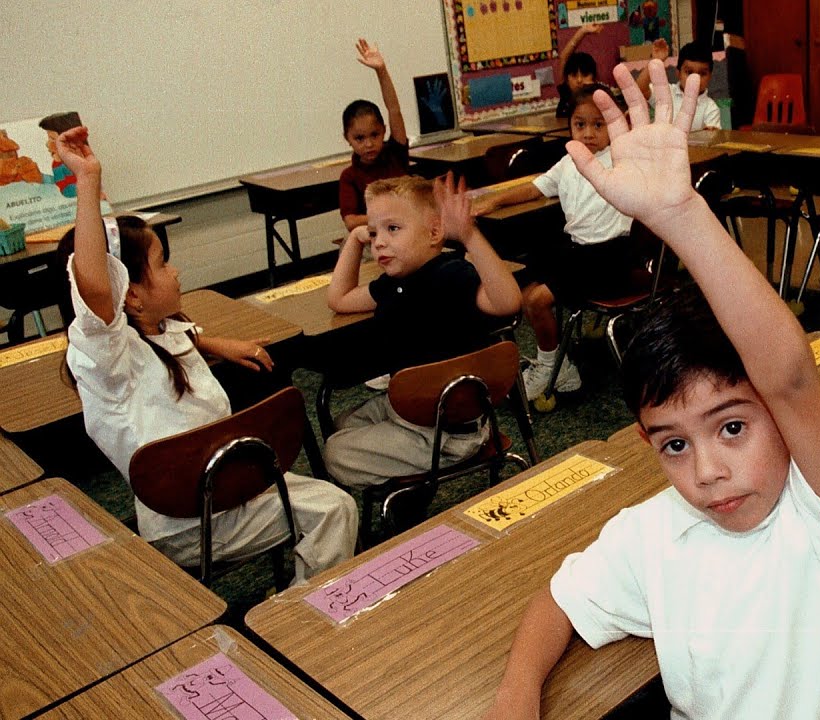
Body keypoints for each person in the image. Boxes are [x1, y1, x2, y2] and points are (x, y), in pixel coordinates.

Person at [483, 61, 820, 720]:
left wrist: (682, 217)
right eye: (674, 444)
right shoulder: (655, 532)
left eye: (733, 426)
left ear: (779, 418)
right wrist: (516, 695)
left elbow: (788, 375)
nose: (707, 471)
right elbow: (559, 599)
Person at [55, 127, 357, 582]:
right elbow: (97, 289)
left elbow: (176, 335)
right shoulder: (108, 362)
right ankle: (306, 620)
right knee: (334, 510)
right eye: (162, 264)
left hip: (228, 492)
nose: (176, 271)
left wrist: (210, 341)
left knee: (330, 505)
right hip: (189, 521)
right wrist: (89, 179)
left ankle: (299, 599)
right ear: (130, 296)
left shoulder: (161, 330)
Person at [323, 173, 521, 492]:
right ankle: (406, 492)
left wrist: (469, 236)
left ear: (434, 232)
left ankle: (408, 492)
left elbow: (508, 301)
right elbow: (339, 299)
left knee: (335, 451)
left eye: (393, 229)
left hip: (448, 431)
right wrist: (355, 240)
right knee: (342, 423)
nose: (380, 242)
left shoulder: (453, 274)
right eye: (375, 233)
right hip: (414, 410)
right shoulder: (392, 283)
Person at [470, 85, 642, 399]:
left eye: (598, 125)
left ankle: (556, 369)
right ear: (569, 127)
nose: (588, 133)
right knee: (522, 289)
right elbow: (536, 188)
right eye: (580, 125)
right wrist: (495, 202)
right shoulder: (568, 162)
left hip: (611, 257)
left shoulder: (620, 159)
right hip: (577, 251)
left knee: (537, 300)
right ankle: (553, 361)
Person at [338, 38, 410, 231]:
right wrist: (391, 213)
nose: (368, 144)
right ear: (348, 139)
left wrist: (382, 71)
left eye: (375, 135)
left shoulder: (396, 153)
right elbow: (351, 222)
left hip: (408, 233)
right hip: (373, 238)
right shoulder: (349, 176)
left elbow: (393, 109)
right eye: (359, 138)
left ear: (384, 131)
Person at [636, 40, 721, 131]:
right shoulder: (667, 92)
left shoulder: (711, 108)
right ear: (678, 73)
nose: (695, 78)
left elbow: (712, 137)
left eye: (702, 73)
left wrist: (710, 133)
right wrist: (655, 61)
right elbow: (640, 88)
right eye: (689, 72)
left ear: (710, 76)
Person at [555, 24, 602, 118]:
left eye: (584, 75)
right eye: (574, 75)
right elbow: (563, 58)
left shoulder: (600, 97)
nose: (579, 80)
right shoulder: (566, 93)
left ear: (594, 78)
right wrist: (582, 31)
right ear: (566, 78)